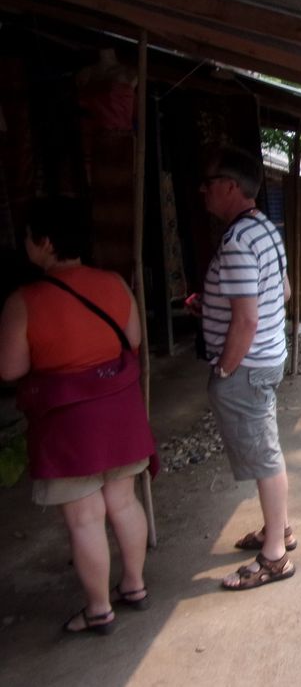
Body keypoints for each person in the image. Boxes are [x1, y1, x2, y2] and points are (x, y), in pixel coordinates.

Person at [0, 196, 157, 635]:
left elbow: (10, 369)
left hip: (67, 423)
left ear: (45, 242)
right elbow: (133, 340)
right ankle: (135, 585)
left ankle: (99, 609)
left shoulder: (23, 301)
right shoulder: (113, 284)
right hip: (118, 414)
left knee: (85, 518)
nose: (25, 245)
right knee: (123, 503)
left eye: (29, 237)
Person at [196, 146, 296, 590]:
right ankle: (280, 529)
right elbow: (285, 292)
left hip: (247, 366)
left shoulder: (238, 241)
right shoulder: (265, 230)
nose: (203, 191)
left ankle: (274, 556)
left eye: (209, 183)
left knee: (265, 456)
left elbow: (247, 318)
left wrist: (224, 369)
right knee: (265, 449)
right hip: (268, 357)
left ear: (231, 187)